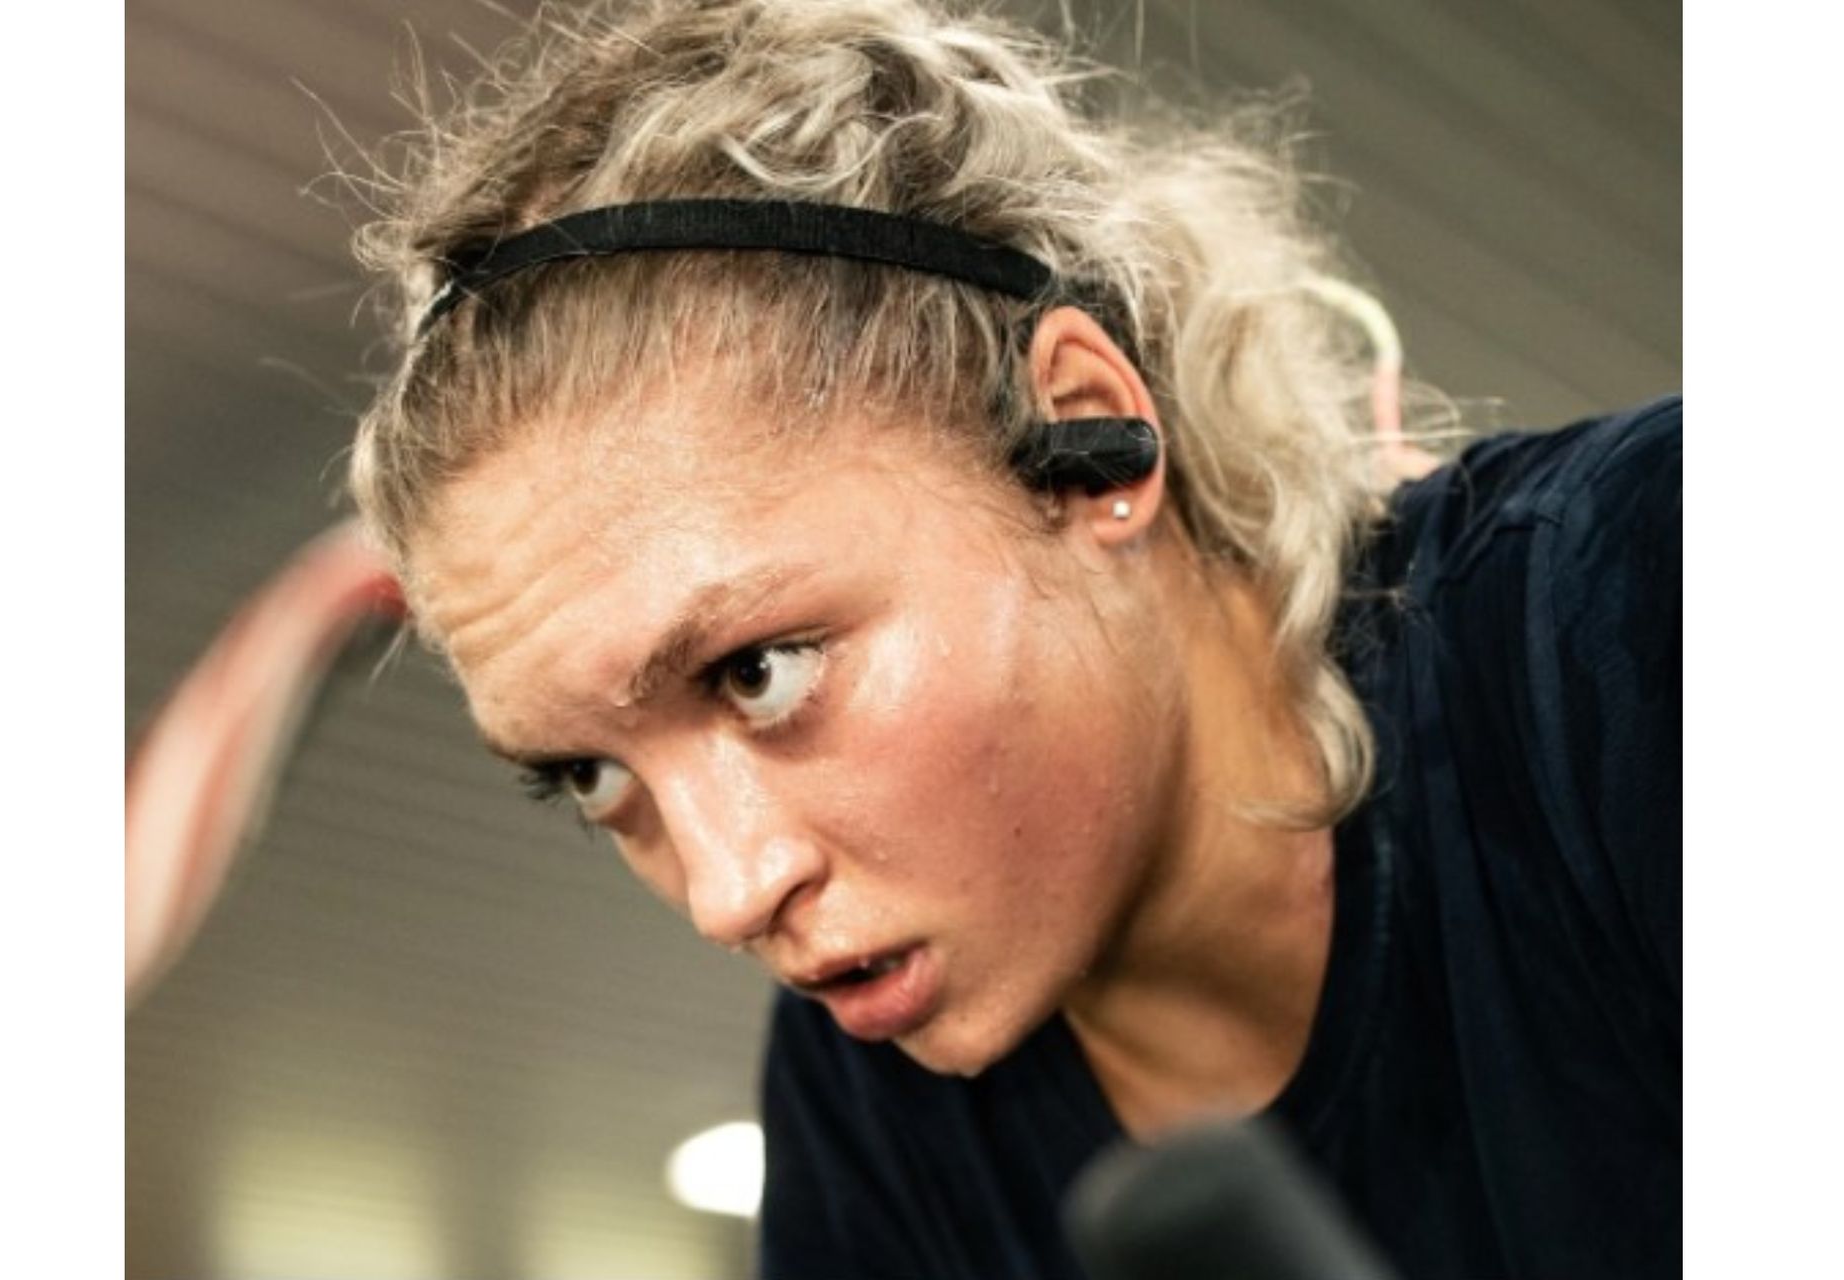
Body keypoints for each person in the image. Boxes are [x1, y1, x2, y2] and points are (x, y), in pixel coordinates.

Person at [344, 1, 1680, 1276]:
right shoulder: (869, 1108)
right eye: (590, 776)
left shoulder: (1644, 613)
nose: (726, 893)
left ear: (1091, 447)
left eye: (760, 671)